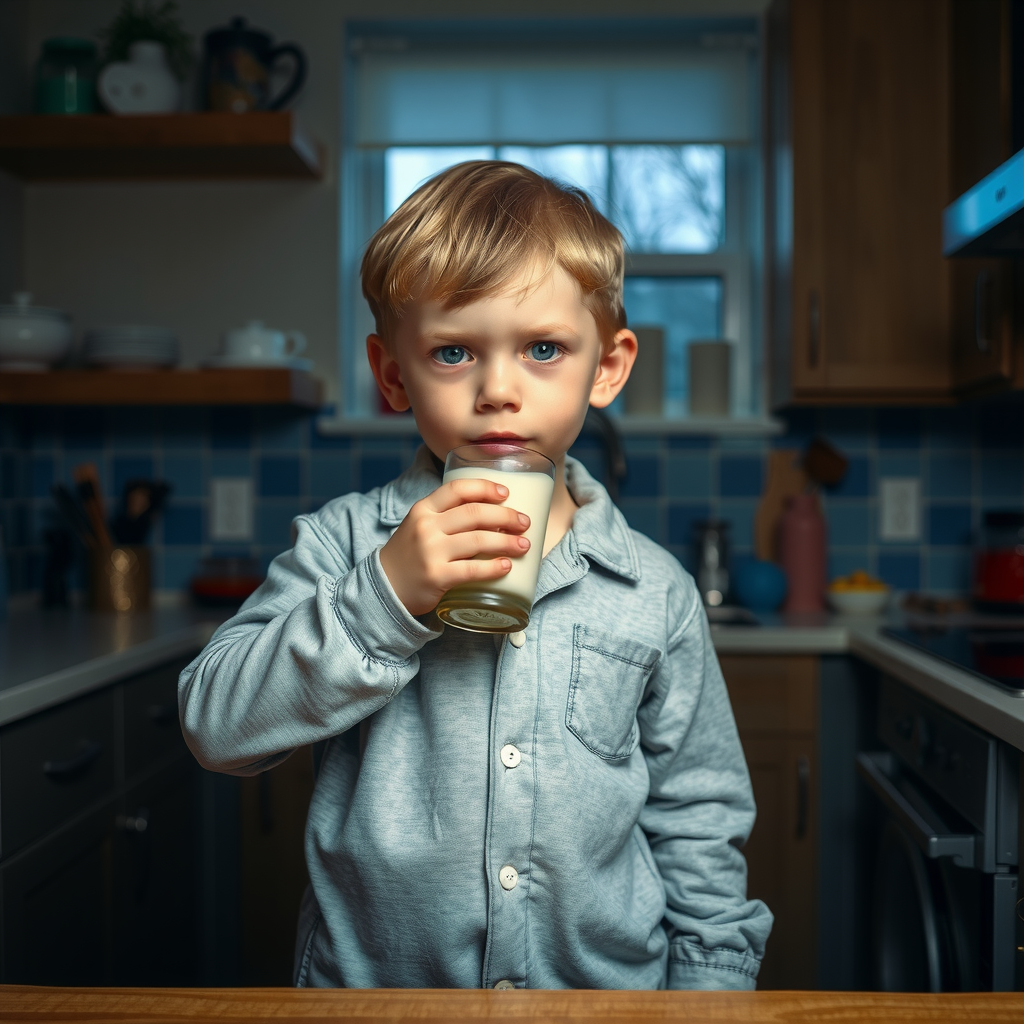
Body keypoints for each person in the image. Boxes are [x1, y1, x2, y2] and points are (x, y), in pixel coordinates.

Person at [179, 161, 772, 991]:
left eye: (543, 349)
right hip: (376, 1002)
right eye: (453, 351)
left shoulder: (655, 589)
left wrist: (710, 995)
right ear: (393, 374)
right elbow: (214, 725)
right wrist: (381, 599)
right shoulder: (347, 543)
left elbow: (699, 816)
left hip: (603, 1004)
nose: (499, 390)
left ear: (606, 366)